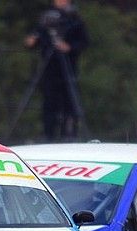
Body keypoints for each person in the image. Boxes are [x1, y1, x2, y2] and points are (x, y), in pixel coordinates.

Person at [25, 0, 89, 141]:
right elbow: (35, 39)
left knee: (69, 103)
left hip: (68, 69)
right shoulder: (46, 17)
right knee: (49, 102)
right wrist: (33, 40)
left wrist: (69, 47)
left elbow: (84, 42)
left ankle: (68, 134)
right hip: (49, 68)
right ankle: (48, 134)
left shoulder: (74, 19)